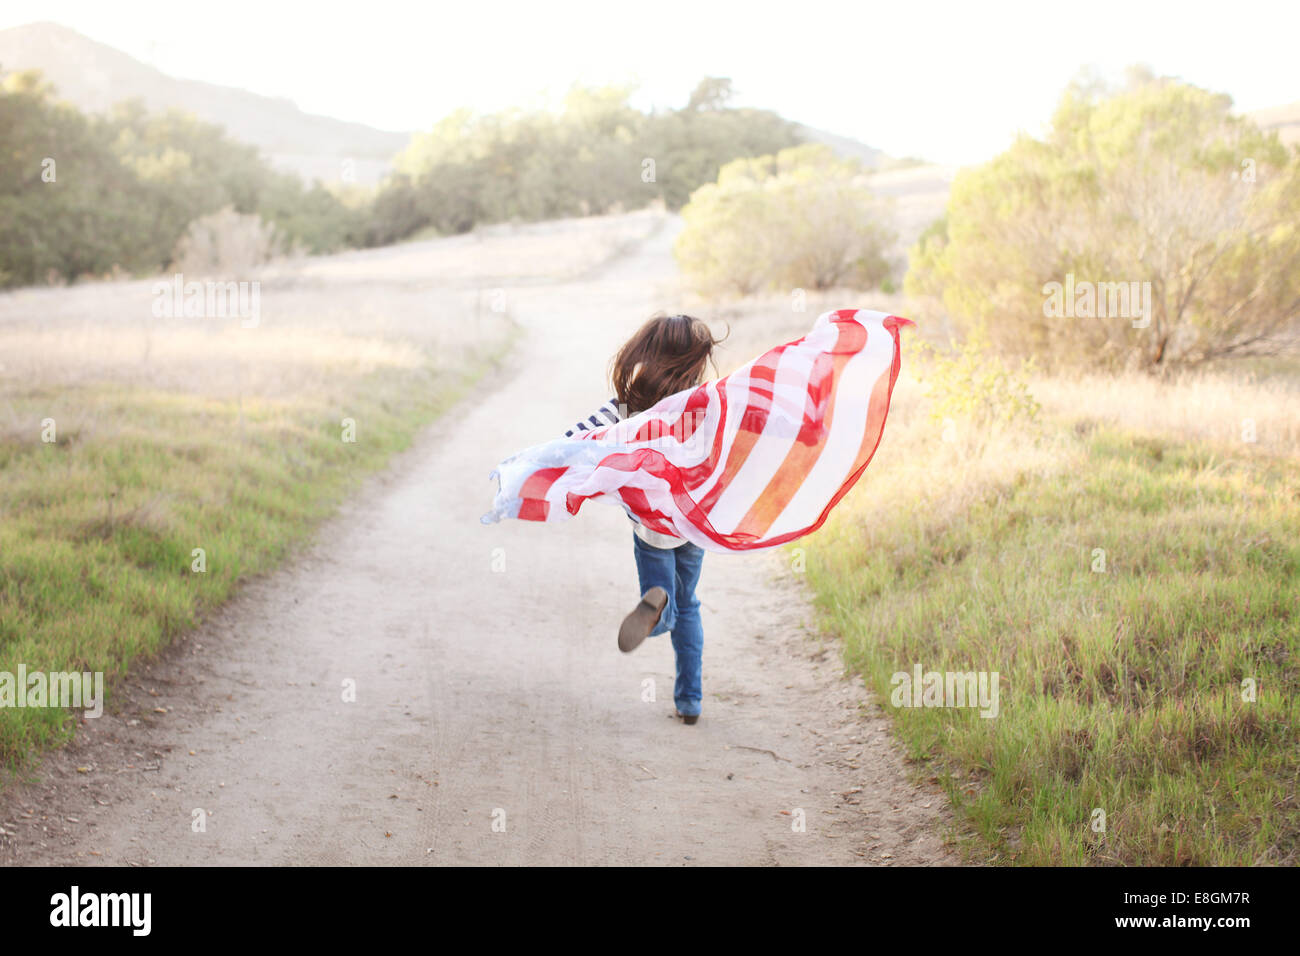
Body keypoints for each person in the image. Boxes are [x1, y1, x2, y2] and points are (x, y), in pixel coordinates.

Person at [563, 313, 723, 725]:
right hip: (695, 523)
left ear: (648, 353)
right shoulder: (706, 402)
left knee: (664, 601)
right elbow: (749, 428)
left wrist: (542, 464)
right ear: (694, 361)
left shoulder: (628, 405)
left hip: (653, 527)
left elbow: (575, 439)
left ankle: (658, 609)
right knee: (691, 606)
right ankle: (690, 702)